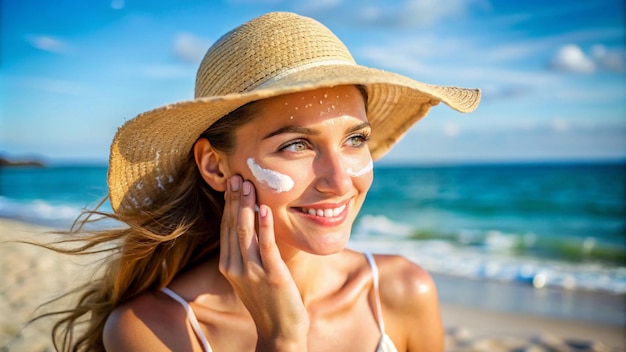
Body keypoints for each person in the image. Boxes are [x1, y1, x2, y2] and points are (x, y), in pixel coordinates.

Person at [48, 11, 480, 352]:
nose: (339, 179)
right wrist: (282, 339)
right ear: (215, 166)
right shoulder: (152, 331)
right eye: (296, 146)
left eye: (355, 139)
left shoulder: (403, 291)